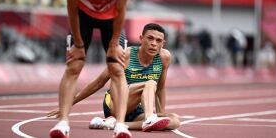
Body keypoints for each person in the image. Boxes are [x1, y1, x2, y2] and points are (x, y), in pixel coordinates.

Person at [48, 23, 180, 132]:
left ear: (163, 43)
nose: (154, 44)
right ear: (141, 38)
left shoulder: (164, 57)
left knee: (174, 120)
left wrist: (161, 118)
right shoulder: (126, 54)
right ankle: (148, 119)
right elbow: (99, 82)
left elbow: (161, 88)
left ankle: (116, 124)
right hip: (115, 103)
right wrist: (69, 104)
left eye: (158, 41)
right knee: (150, 83)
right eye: (150, 38)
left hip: (136, 108)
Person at [49, 0, 131, 138]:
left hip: (111, 21)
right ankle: (63, 122)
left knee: (116, 68)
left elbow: (121, 10)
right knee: (74, 65)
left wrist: (114, 44)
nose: (98, 1)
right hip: (83, 18)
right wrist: (78, 44)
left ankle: (121, 125)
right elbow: (72, 10)